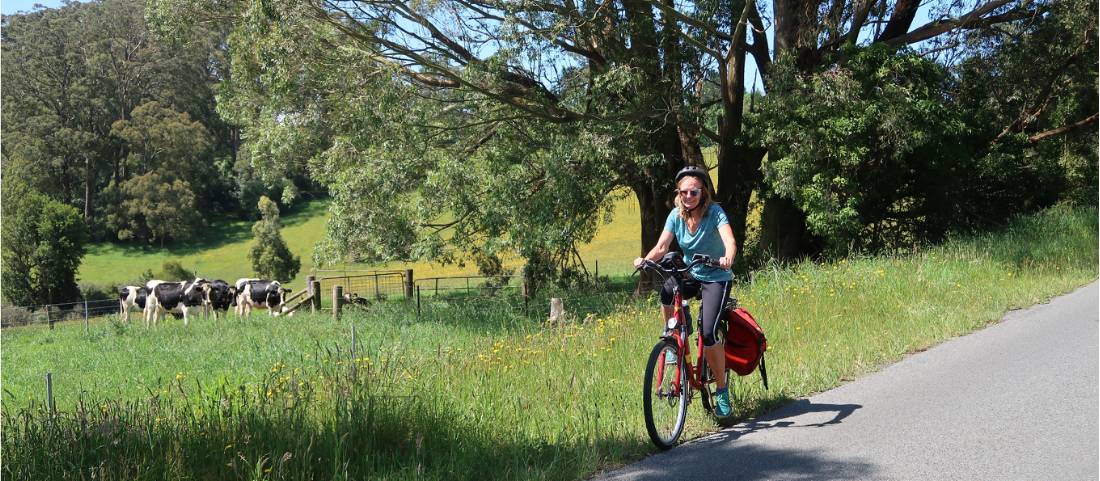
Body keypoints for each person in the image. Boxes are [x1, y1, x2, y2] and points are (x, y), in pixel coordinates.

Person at [633, 165, 737, 418]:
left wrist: (727, 257)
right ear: (678, 193)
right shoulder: (675, 215)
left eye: (694, 192)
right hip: (691, 272)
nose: (688, 196)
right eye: (684, 192)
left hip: (716, 276)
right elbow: (662, 246)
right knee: (667, 291)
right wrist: (645, 260)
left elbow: (730, 241)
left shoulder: (715, 213)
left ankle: (722, 391)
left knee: (709, 333)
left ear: (703, 192)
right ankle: (674, 333)